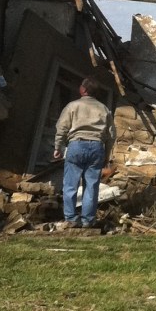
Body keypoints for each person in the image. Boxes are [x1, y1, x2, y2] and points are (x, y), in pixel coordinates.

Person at [53, 78, 116, 229]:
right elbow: (111, 135)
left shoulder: (73, 106)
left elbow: (62, 127)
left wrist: (58, 147)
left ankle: (71, 218)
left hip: (76, 145)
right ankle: (88, 220)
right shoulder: (104, 109)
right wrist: (106, 155)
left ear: (83, 90)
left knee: (70, 185)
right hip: (96, 147)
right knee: (91, 186)